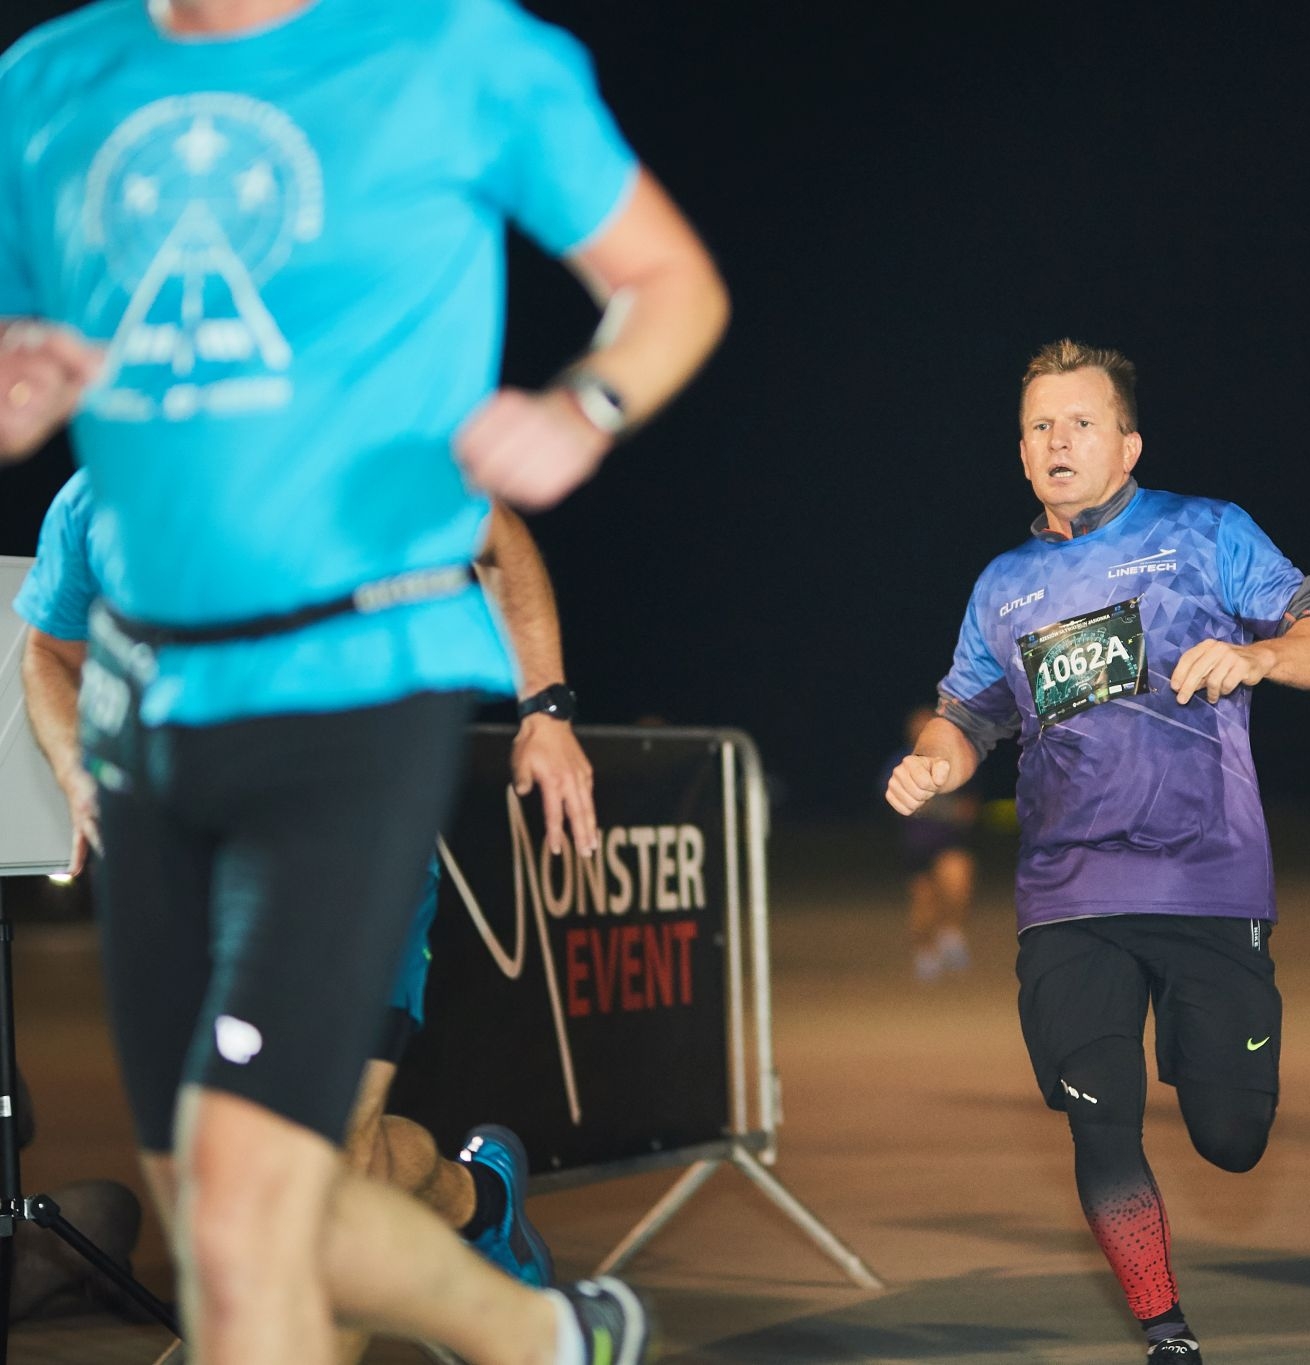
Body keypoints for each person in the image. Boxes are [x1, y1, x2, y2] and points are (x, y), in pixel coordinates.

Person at [0, 0, 728, 1360]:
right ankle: (544, 1337)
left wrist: (585, 407)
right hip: (151, 718)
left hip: (352, 687)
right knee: (211, 1200)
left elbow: (672, 282)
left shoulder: (453, 52)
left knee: (258, 1196)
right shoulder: (47, 82)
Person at [14, 473, 586, 1357]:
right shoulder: (96, 497)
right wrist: (72, 763)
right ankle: (478, 1202)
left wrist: (544, 708)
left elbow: (498, 536)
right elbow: (49, 651)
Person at [887, 340, 1310, 1364]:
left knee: (1232, 1138)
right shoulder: (1003, 584)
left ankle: (1215, 1087)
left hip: (1206, 879)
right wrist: (932, 760)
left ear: (1128, 444)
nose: (1058, 441)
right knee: (1098, 1114)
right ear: (1021, 453)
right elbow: (965, 716)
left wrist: (1258, 654)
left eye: (1081, 423)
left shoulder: (1207, 532)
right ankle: (1163, 1328)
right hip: (1068, 892)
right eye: (1039, 427)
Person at [885, 705, 979, 980]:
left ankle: (951, 932)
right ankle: (924, 951)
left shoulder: (956, 759)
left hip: (949, 841)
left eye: (928, 723)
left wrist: (934, 807)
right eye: (917, 725)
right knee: (923, 901)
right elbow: (892, 804)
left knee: (959, 880)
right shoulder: (898, 762)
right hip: (914, 846)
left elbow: (968, 809)